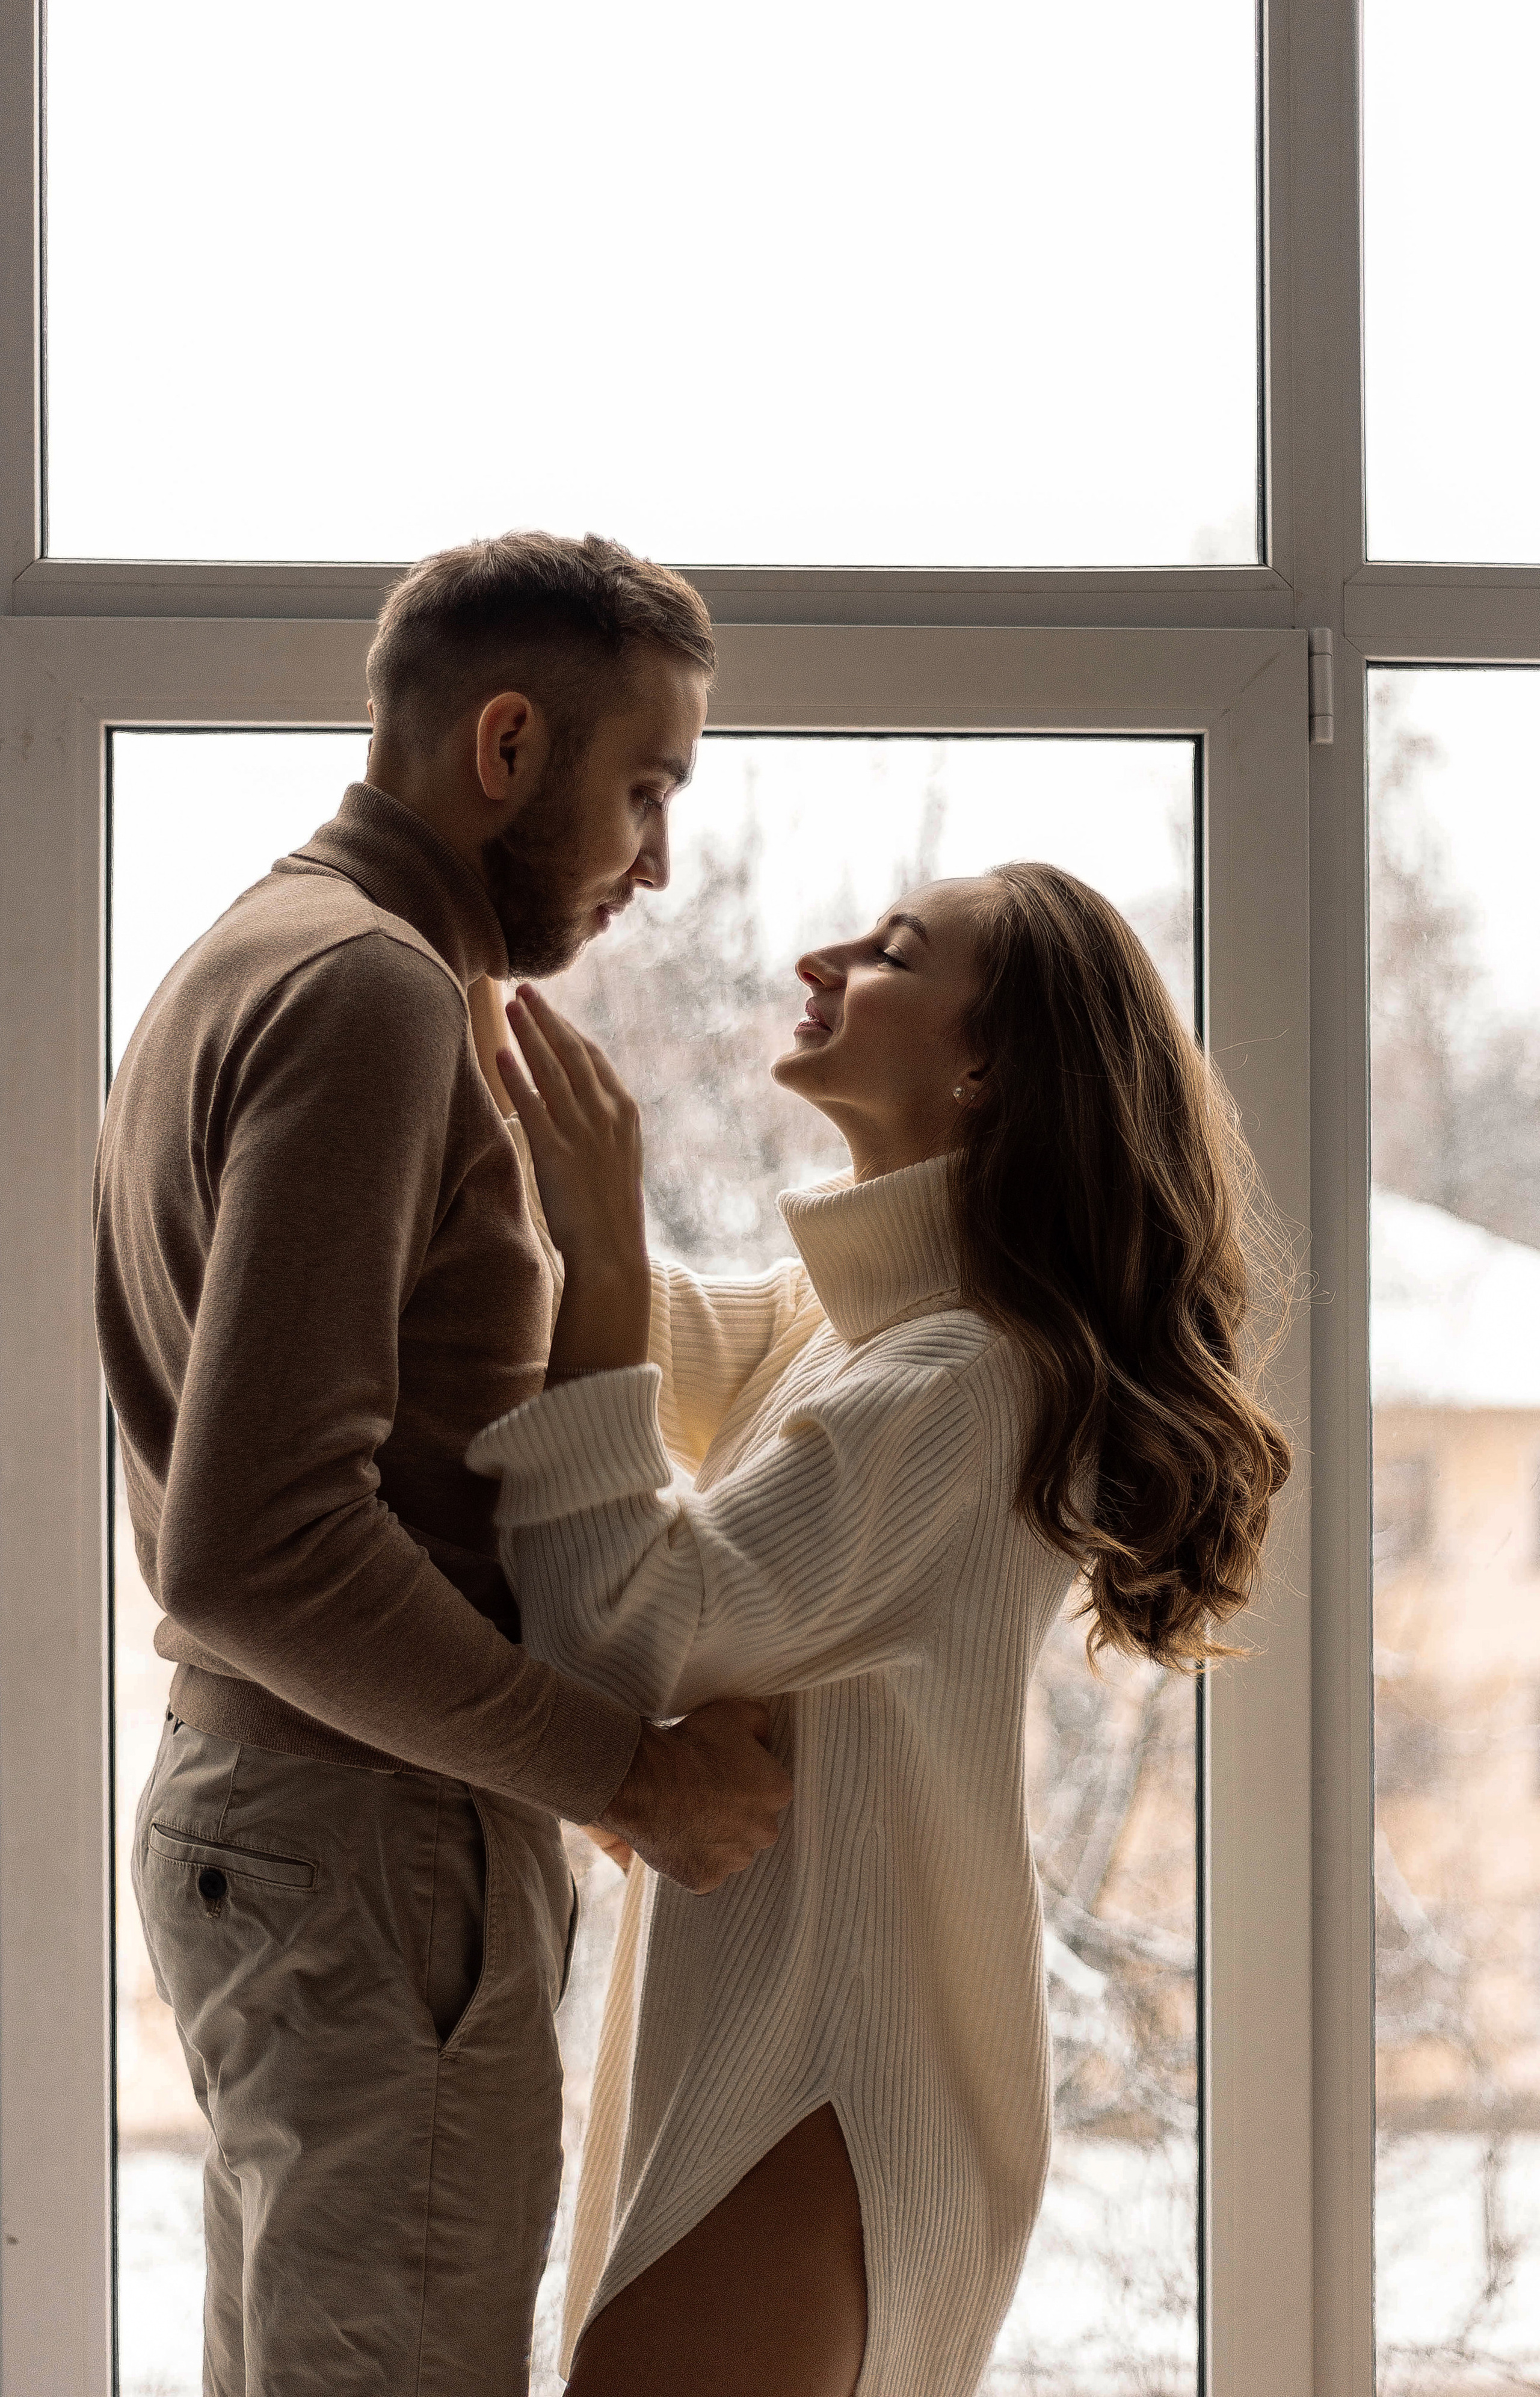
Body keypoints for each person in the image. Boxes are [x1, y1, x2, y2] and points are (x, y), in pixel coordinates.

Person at [93, 531, 792, 2397]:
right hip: (369, 1845)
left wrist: (616, 1267)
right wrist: (629, 1777)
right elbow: (254, 1551)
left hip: (303, 1826)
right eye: (646, 789)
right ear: (505, 747)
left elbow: (364, 1460)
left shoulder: (256, 955)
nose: (660, 859)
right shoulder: (372, 993)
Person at [468, 862, 1294, 2397]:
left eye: (894, 953)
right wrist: (470, 1069)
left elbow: (626, 1628)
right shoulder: (853, 1321)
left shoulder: (965, 1380)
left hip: (833, 2057)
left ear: (983, 1063)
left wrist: (590, 1228)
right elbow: (593, 1329)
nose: (818, 952)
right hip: (798, 2035)